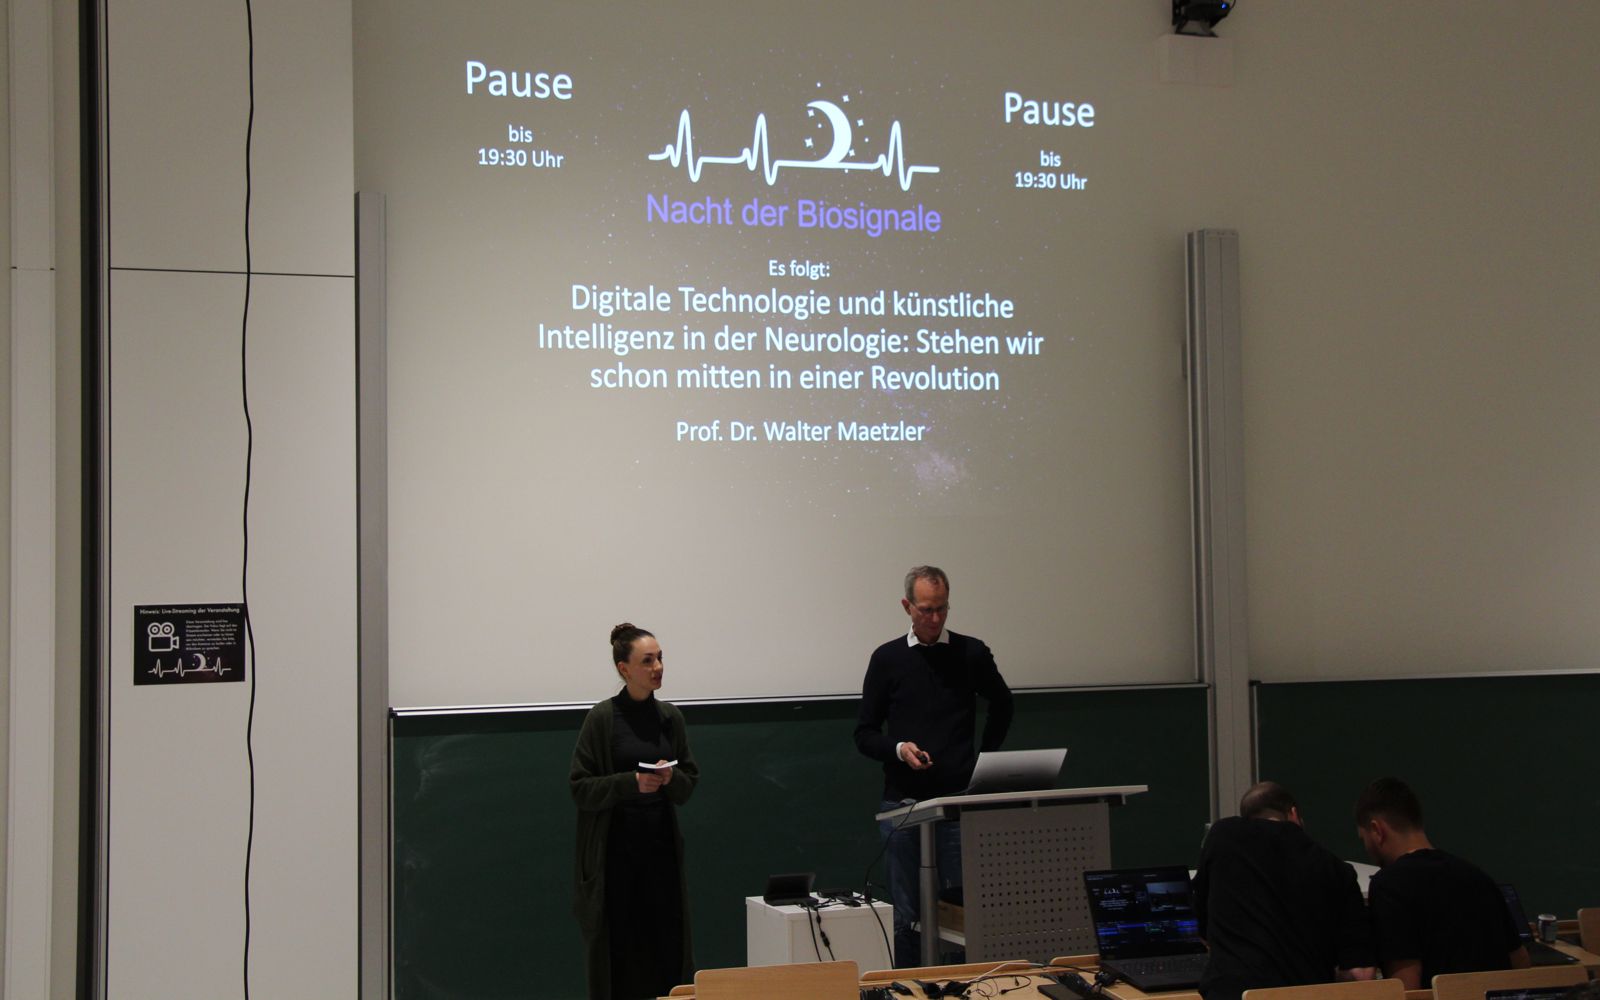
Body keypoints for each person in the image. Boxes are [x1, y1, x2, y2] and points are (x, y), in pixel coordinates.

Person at [853, 565, 1014, 967]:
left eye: (942, 608)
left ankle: (965, 985)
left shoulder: (970, 653)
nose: (935, 618)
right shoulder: (887, 658)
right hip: (904, 804)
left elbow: (1003, 703)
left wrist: (984, 760)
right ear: (907, 606)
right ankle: (909, 985)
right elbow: (865, 733)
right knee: (907, 915)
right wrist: (899, 749)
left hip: (958, 802)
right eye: (926, 609)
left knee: (962, 913)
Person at [570, 623, 699, 1000]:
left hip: (661, 855)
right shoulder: (602, 719)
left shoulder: (670, 718)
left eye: (660, 658)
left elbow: (688, 783)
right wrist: (631, 783)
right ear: (624, 669)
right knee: (621, 959)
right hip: (614, 859)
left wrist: (670, 777)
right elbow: (580, 787)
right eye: (647, 661)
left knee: (667, 951)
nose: (658, 667)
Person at [1192, 781, 1377, 1000]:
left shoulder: (1222, 836)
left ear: (1247, 817)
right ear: (1294, 814)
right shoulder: (1336, 869)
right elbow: (1361, 974)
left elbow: (1202, 925)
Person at [1354, 776, 1528, 988]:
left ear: (1377, 830)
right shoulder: (1478, 877)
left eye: (1364, 839)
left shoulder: (1388, 886)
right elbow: (1521, 963)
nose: (1367, 847)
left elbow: (1406, 986)